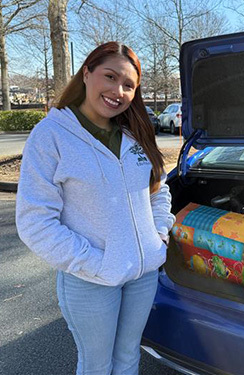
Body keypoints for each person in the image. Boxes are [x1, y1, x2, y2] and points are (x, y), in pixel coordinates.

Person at [16, 42, 175, 375]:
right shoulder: (52, 135)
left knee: (129, 356)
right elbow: (35, 221)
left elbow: (158, 191)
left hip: (143, 274)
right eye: (110, 76)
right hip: (90, 280)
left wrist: (159, 235)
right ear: (86, 73)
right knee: (97, 366)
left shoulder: (135, 133)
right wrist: (95, 262)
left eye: (129, 85)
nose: (118, 91)